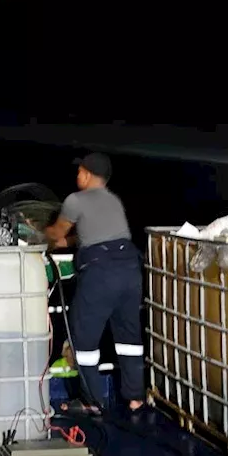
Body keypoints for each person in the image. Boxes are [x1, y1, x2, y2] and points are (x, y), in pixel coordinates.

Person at [45, 153, 144, 415]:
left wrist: (38, 233)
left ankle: (91, 401)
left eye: (79, 172)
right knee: (128, 337)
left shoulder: (75, 200)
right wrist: (69, 242)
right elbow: (94, 234)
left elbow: (57, 233)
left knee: (84, 337)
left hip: (101, 272)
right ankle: (135, 398)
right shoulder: (114, 201)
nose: (77, 176)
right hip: (131, 268)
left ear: (87, 174)